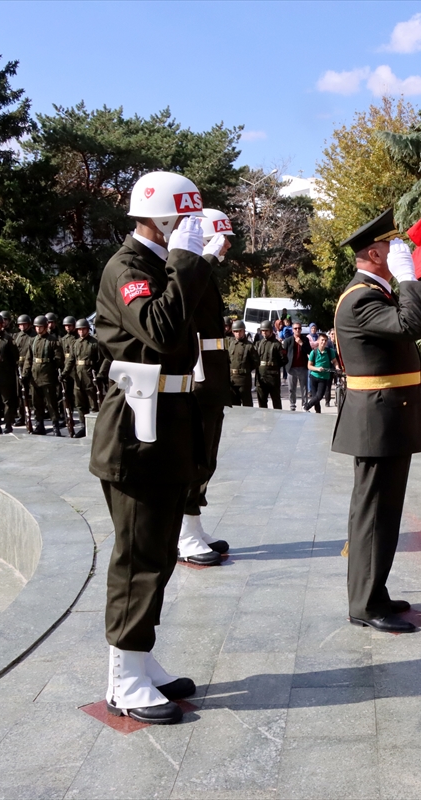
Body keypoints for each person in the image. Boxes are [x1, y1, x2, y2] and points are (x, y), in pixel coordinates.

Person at [90, 170, 216, 726]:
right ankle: (123, 679)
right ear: (162, 218)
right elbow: (162, 331)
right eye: (184, 219)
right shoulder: (127, 269)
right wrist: (186, 261)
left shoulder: (162, 265)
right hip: (136, 432)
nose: (191, 228)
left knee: (161, 553)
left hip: (169, 424)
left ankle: (140, 659)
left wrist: (192, 263)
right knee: (138, 557)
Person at [332, 208, 421, 634]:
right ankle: (365, 605)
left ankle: (375, 591)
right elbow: (412, 325)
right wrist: (409, 279)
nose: (399, 250)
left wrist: (405, 279)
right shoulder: (361, 299)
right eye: (392, 246)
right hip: (377, 421)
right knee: (373, 515)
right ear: (375, 254)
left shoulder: (374, 294)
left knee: (385, 513)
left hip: (388, 418)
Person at [177, 207, 236, 568]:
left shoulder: (206, 275)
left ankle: (193, 526)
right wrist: (205, 260)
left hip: (211, 375)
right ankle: (183, 535)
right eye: (221, 239)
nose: (226, 246)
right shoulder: (191, 274)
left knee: (207, 455)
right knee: (195, 455)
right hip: (198, 375)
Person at [23, 315, 64, 436]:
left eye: (40, 327)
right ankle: (39, 425)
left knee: (51, 403)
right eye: (36, 327)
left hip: (47, 376)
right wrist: (25, 373)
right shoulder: (33, 340)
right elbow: (28, 359)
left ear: (45, 327)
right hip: (35, 377)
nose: (38, 329)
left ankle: (55, 426)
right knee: (36, 403)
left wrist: (53, 370)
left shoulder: (53, 341)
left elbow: (59, 359)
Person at [252, 319, 285, 409]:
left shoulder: (277, 344)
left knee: (276, 402)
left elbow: (283, 360)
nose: (264, 332)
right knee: (262, 403)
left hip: (273, 377)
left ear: (270, 331)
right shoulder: (259, 344)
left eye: (266, 330)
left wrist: (274, 366)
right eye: (262, 331)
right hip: (261, 377)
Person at [283, 321, 312, 411]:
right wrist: (286, 366)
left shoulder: (305, 339)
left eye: (299, 328)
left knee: (304, 388)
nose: (297, 330)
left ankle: (305, 405)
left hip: (303, 367)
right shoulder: (288, 340)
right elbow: (283, 354)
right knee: (292, 388)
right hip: (292, 368)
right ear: (292, 330)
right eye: (295, 328)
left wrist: (301, 343)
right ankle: (292, 405)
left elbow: (309, 352)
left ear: (301, 329)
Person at [303, 333, 335, 413]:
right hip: (314, 377)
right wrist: (317, 369)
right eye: (322, 340)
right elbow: (309, 366)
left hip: (324, 378)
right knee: (315, 397)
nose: (324, 342)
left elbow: (335, 361)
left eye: (325, 340)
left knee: (319, 396)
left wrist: (337, 367)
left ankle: (306, 407)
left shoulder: (329, 351)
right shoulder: (313, 352)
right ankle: (318, 413)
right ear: (318, 341)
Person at [226, 321, 255, 406]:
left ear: (244, 331)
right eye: (236, 331)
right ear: (233, 332)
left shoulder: (249, 346)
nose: (238, 333)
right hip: (232, 380)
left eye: (240, 331)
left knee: (247, 404)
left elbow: (255, 362)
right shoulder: (230, 344)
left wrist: (245, 370)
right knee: (234, 405)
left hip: (243, 380)